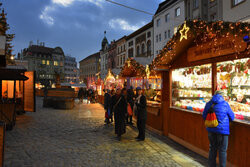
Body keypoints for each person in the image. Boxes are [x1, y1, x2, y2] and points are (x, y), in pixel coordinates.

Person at [202, 91, 235, 167]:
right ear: (223, 96)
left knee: (212, 148)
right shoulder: (225, 104)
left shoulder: (208, 103)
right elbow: (232, 117)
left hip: (211, 130)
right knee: (222, 151)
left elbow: (204, 116)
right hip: (222, 131)